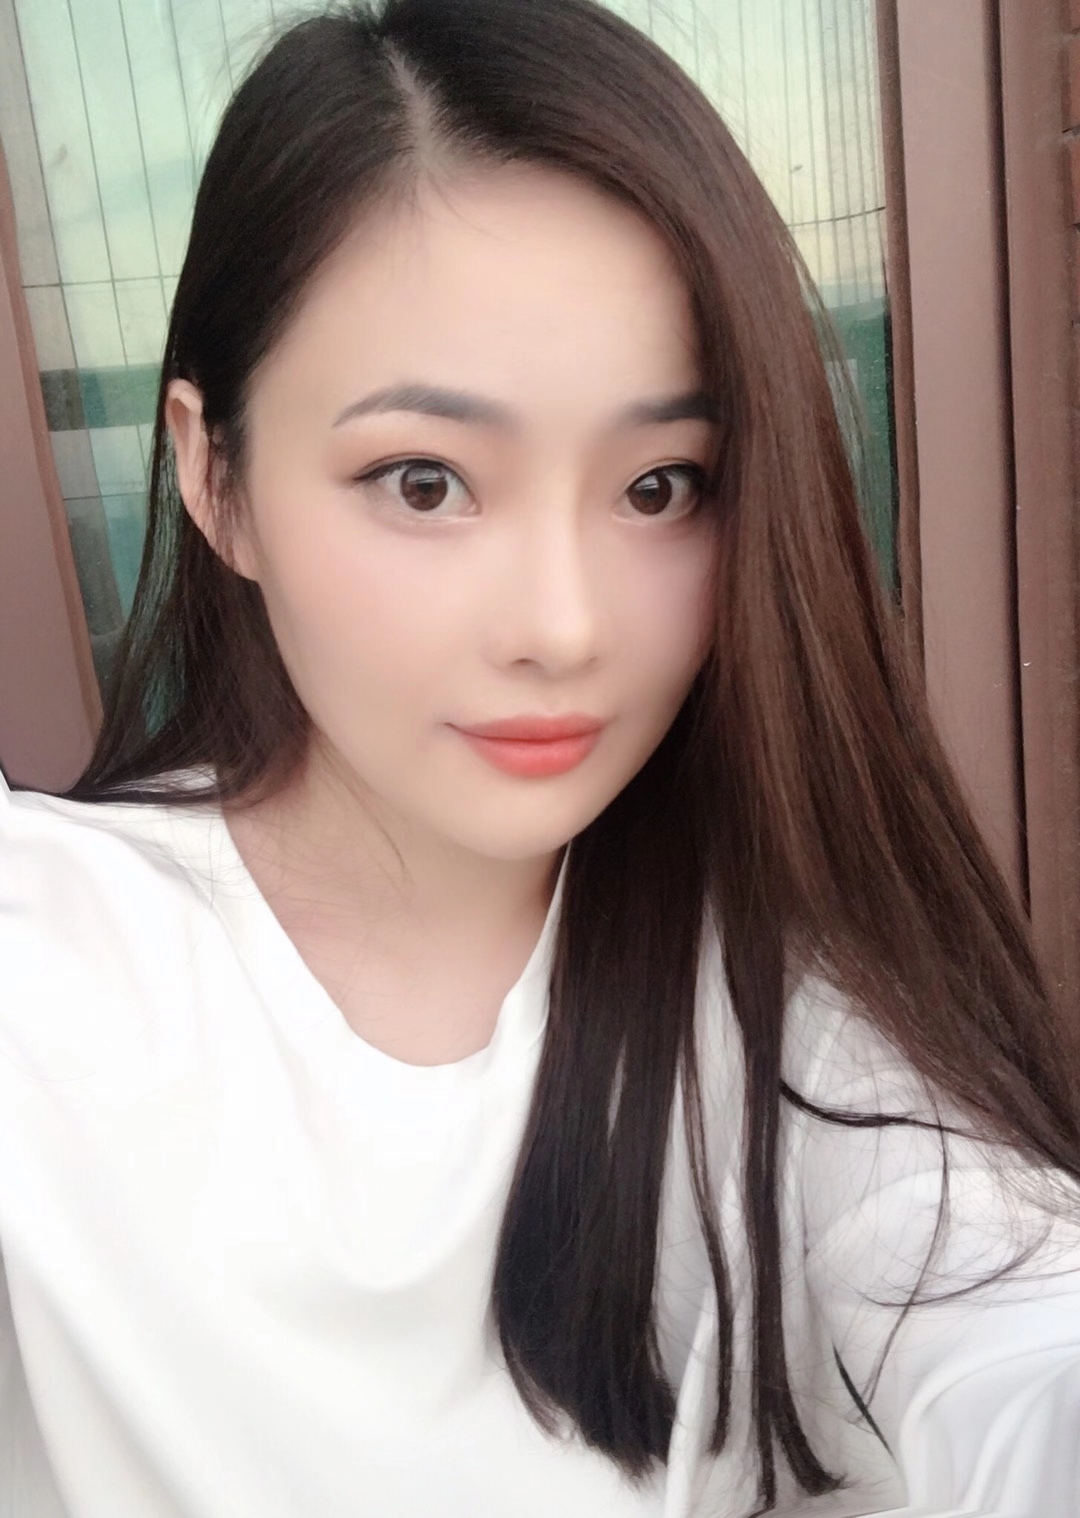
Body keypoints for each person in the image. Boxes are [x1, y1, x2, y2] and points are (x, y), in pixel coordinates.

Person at [1, 0, 1078, 1513]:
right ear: (214, 473)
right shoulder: (46, 964)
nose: (564, 627)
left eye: (660, 486)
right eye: (423, 481)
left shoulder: (796, 1013)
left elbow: (1015, 1329)